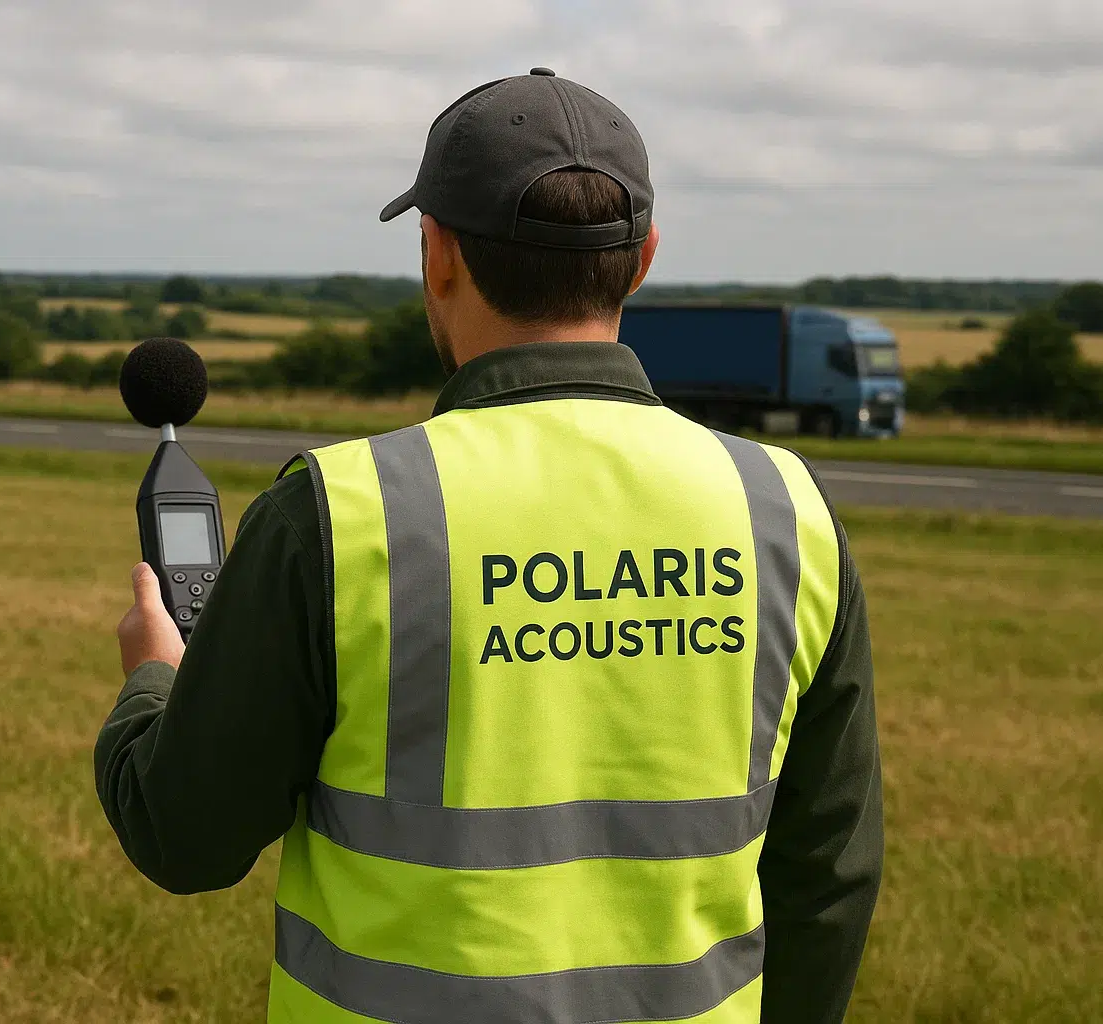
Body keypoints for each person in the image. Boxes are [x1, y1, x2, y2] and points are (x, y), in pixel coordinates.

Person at [97, 68, 882, 1024]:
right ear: (641, 262)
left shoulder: (341, 513)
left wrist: (152, 680)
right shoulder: (785, 508)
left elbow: (185, 837)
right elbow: (828, 873)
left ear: (438, 255)